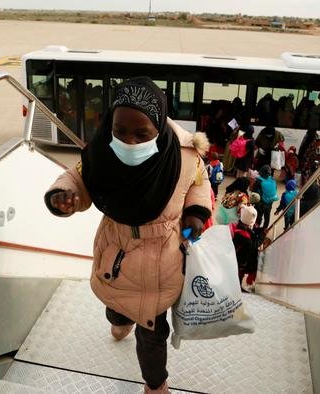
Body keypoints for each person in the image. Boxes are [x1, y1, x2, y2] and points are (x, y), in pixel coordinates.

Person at [44, 77, 212, 394]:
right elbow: (78, 179)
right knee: (115, 303)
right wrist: (64, 195)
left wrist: (196, 213)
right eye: (120, 132)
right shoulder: (101, 153)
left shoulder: (185, 157)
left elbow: (199, 185)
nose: (130, 142)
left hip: (161, 261)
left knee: (152, 332)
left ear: (159, 129)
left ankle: (155, 385)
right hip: (115, 250)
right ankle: (120, 319)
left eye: (141, 134)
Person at [229, 205, 259, 293]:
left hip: (238, 255)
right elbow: (254, 245)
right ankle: (237, 288)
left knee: (239, 272)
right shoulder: (244, 235)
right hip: (241, 258)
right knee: (239, 273)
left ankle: (237, 287)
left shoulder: (239, 226)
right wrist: (262, 237)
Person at [252, 165, 278, 229]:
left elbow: (254, 192)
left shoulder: (259, 180)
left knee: (259, 216)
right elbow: (275, 188)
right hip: (270, 201)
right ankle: (265, 229)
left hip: (261, 202)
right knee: (267, 216)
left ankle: (256, 228)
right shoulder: (273, 179)